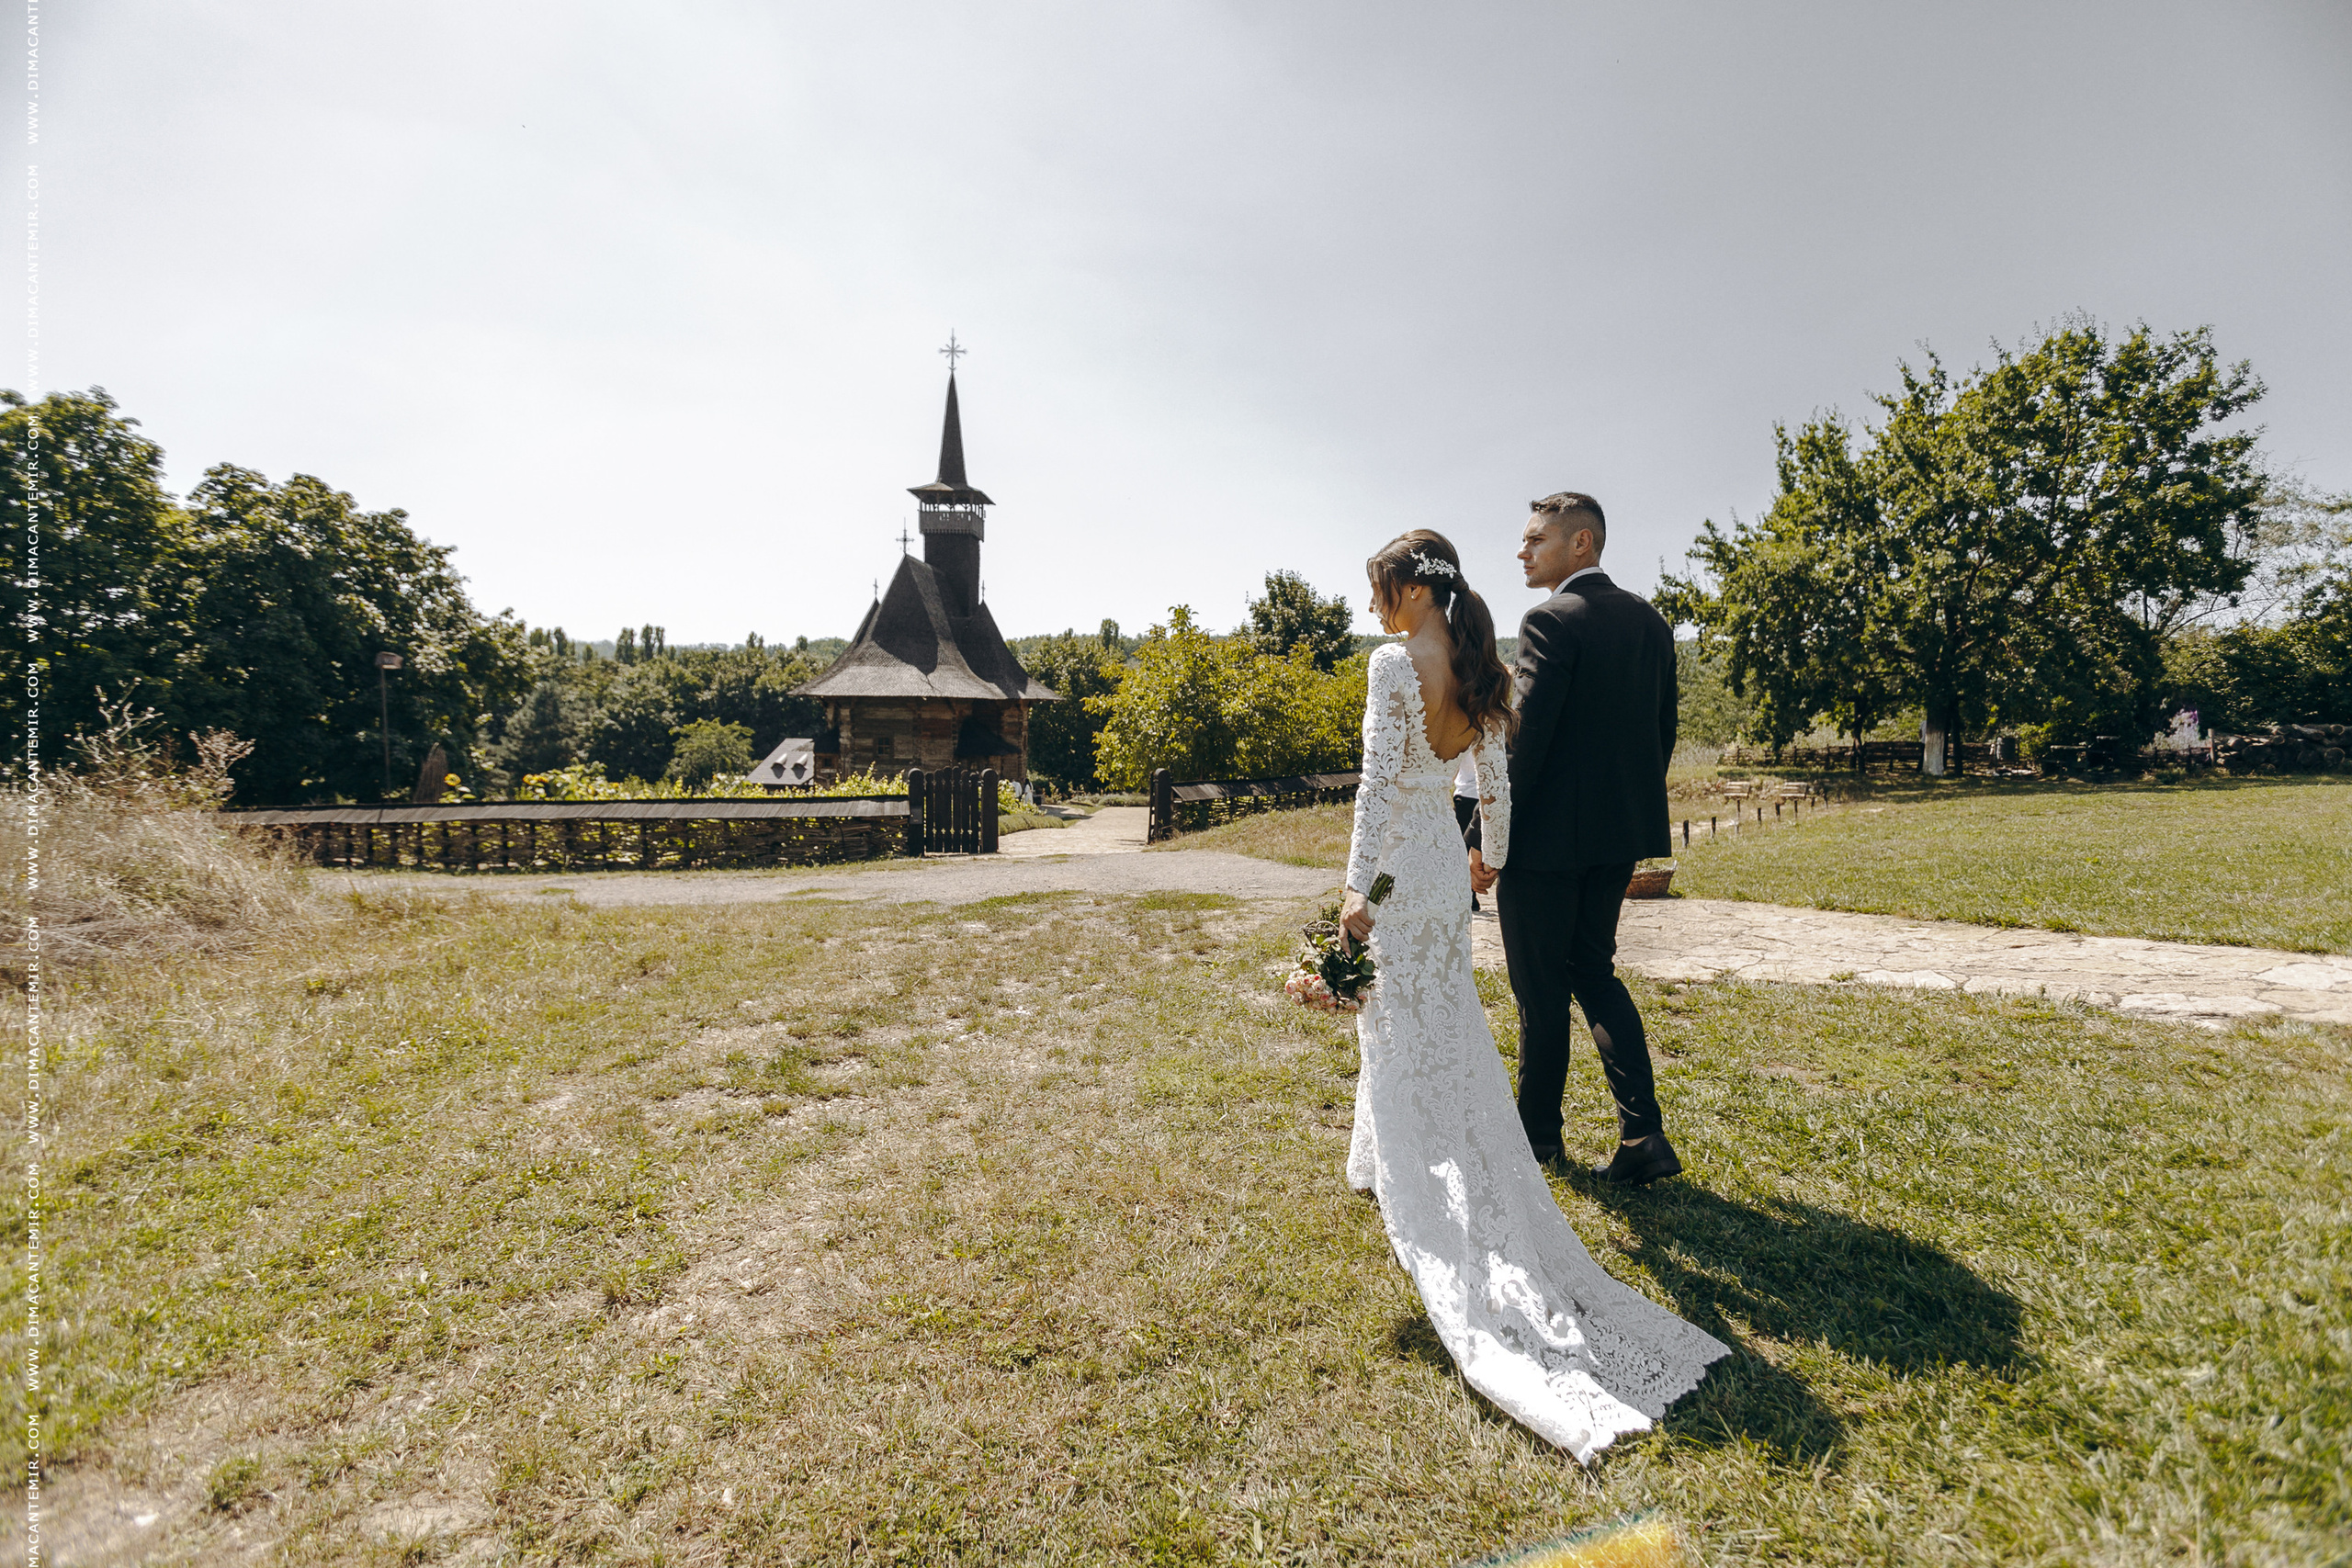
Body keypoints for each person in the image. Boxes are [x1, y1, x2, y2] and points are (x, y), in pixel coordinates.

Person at [1339, 528, 1727, 1462]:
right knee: (1436, 1017)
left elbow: (1374, 788)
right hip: (1445, 869)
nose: (1374, 610)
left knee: (1395, 1022)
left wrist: (1356, 887)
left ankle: (1407, 1182)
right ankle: (1369, 1159)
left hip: (1398, 865)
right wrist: (1492, 857)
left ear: (1415, 595)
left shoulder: (1395, 665)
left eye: (1381, 591)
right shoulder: (1479, 665)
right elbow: (1494, 784)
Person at [1498, 492, 1682, 1183]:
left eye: (1535, 539)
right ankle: (1643, 1134)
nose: (1523, 551)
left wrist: (1492, 830)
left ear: (1581, 544)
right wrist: (1623, 810)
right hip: (1617, 837)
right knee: (1593, 971)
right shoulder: (1651, 620)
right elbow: (1662, 730)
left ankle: (1538, 1139)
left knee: (1540, 990)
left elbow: (1528, 738)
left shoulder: (1549, 619)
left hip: (1545, 844)